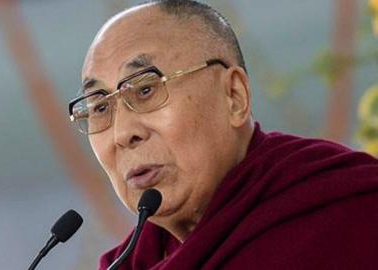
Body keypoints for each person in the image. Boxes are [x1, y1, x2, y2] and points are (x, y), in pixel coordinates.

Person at [67, 0, 378, 269]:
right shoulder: (131, 263)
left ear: (234, 96)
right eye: (100, 108)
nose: (123, 134)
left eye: (145, 89)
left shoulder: (349, 215)